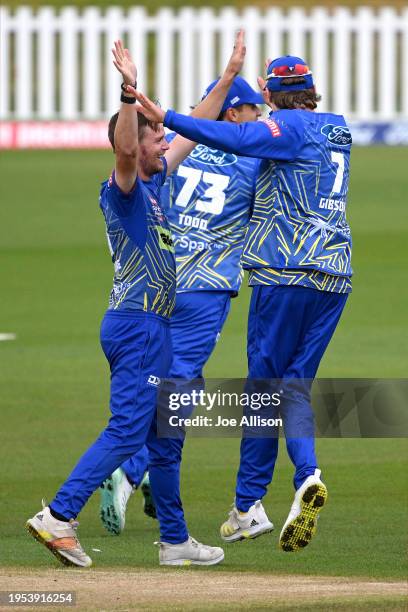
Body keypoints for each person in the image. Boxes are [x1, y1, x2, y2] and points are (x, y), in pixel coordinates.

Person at [26, 34, 246, 567]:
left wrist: (228, 74)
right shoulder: (124, 189)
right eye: (155, 141)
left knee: (166, 433)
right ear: (134, 146)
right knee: (128, 428)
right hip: (137, 324)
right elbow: (127, 148)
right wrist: (130, 92)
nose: (165, 144)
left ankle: (174, 541)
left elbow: (196, 121)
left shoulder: (159, 178)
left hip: (155, 326)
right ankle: (58, 516)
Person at [131, 55, 353, 552]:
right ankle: (307, 476)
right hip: (336, 277)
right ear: (313, 90)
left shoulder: (284, 128)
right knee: (293, 387)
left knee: (261, 392)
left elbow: (239, 138)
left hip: (284, 275)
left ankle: (249, 503)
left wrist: (168, 118)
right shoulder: (339, 130)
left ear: (269, 95)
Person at [98, 76, 264, 535]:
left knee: (161, 381)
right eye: (254, 111)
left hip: (161, 284)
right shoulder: (250, 160)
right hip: (207, 287)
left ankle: (145, 468)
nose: (260, 120)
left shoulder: (172, 145)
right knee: (180, 390)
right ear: (233, 114)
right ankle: (132, 467)